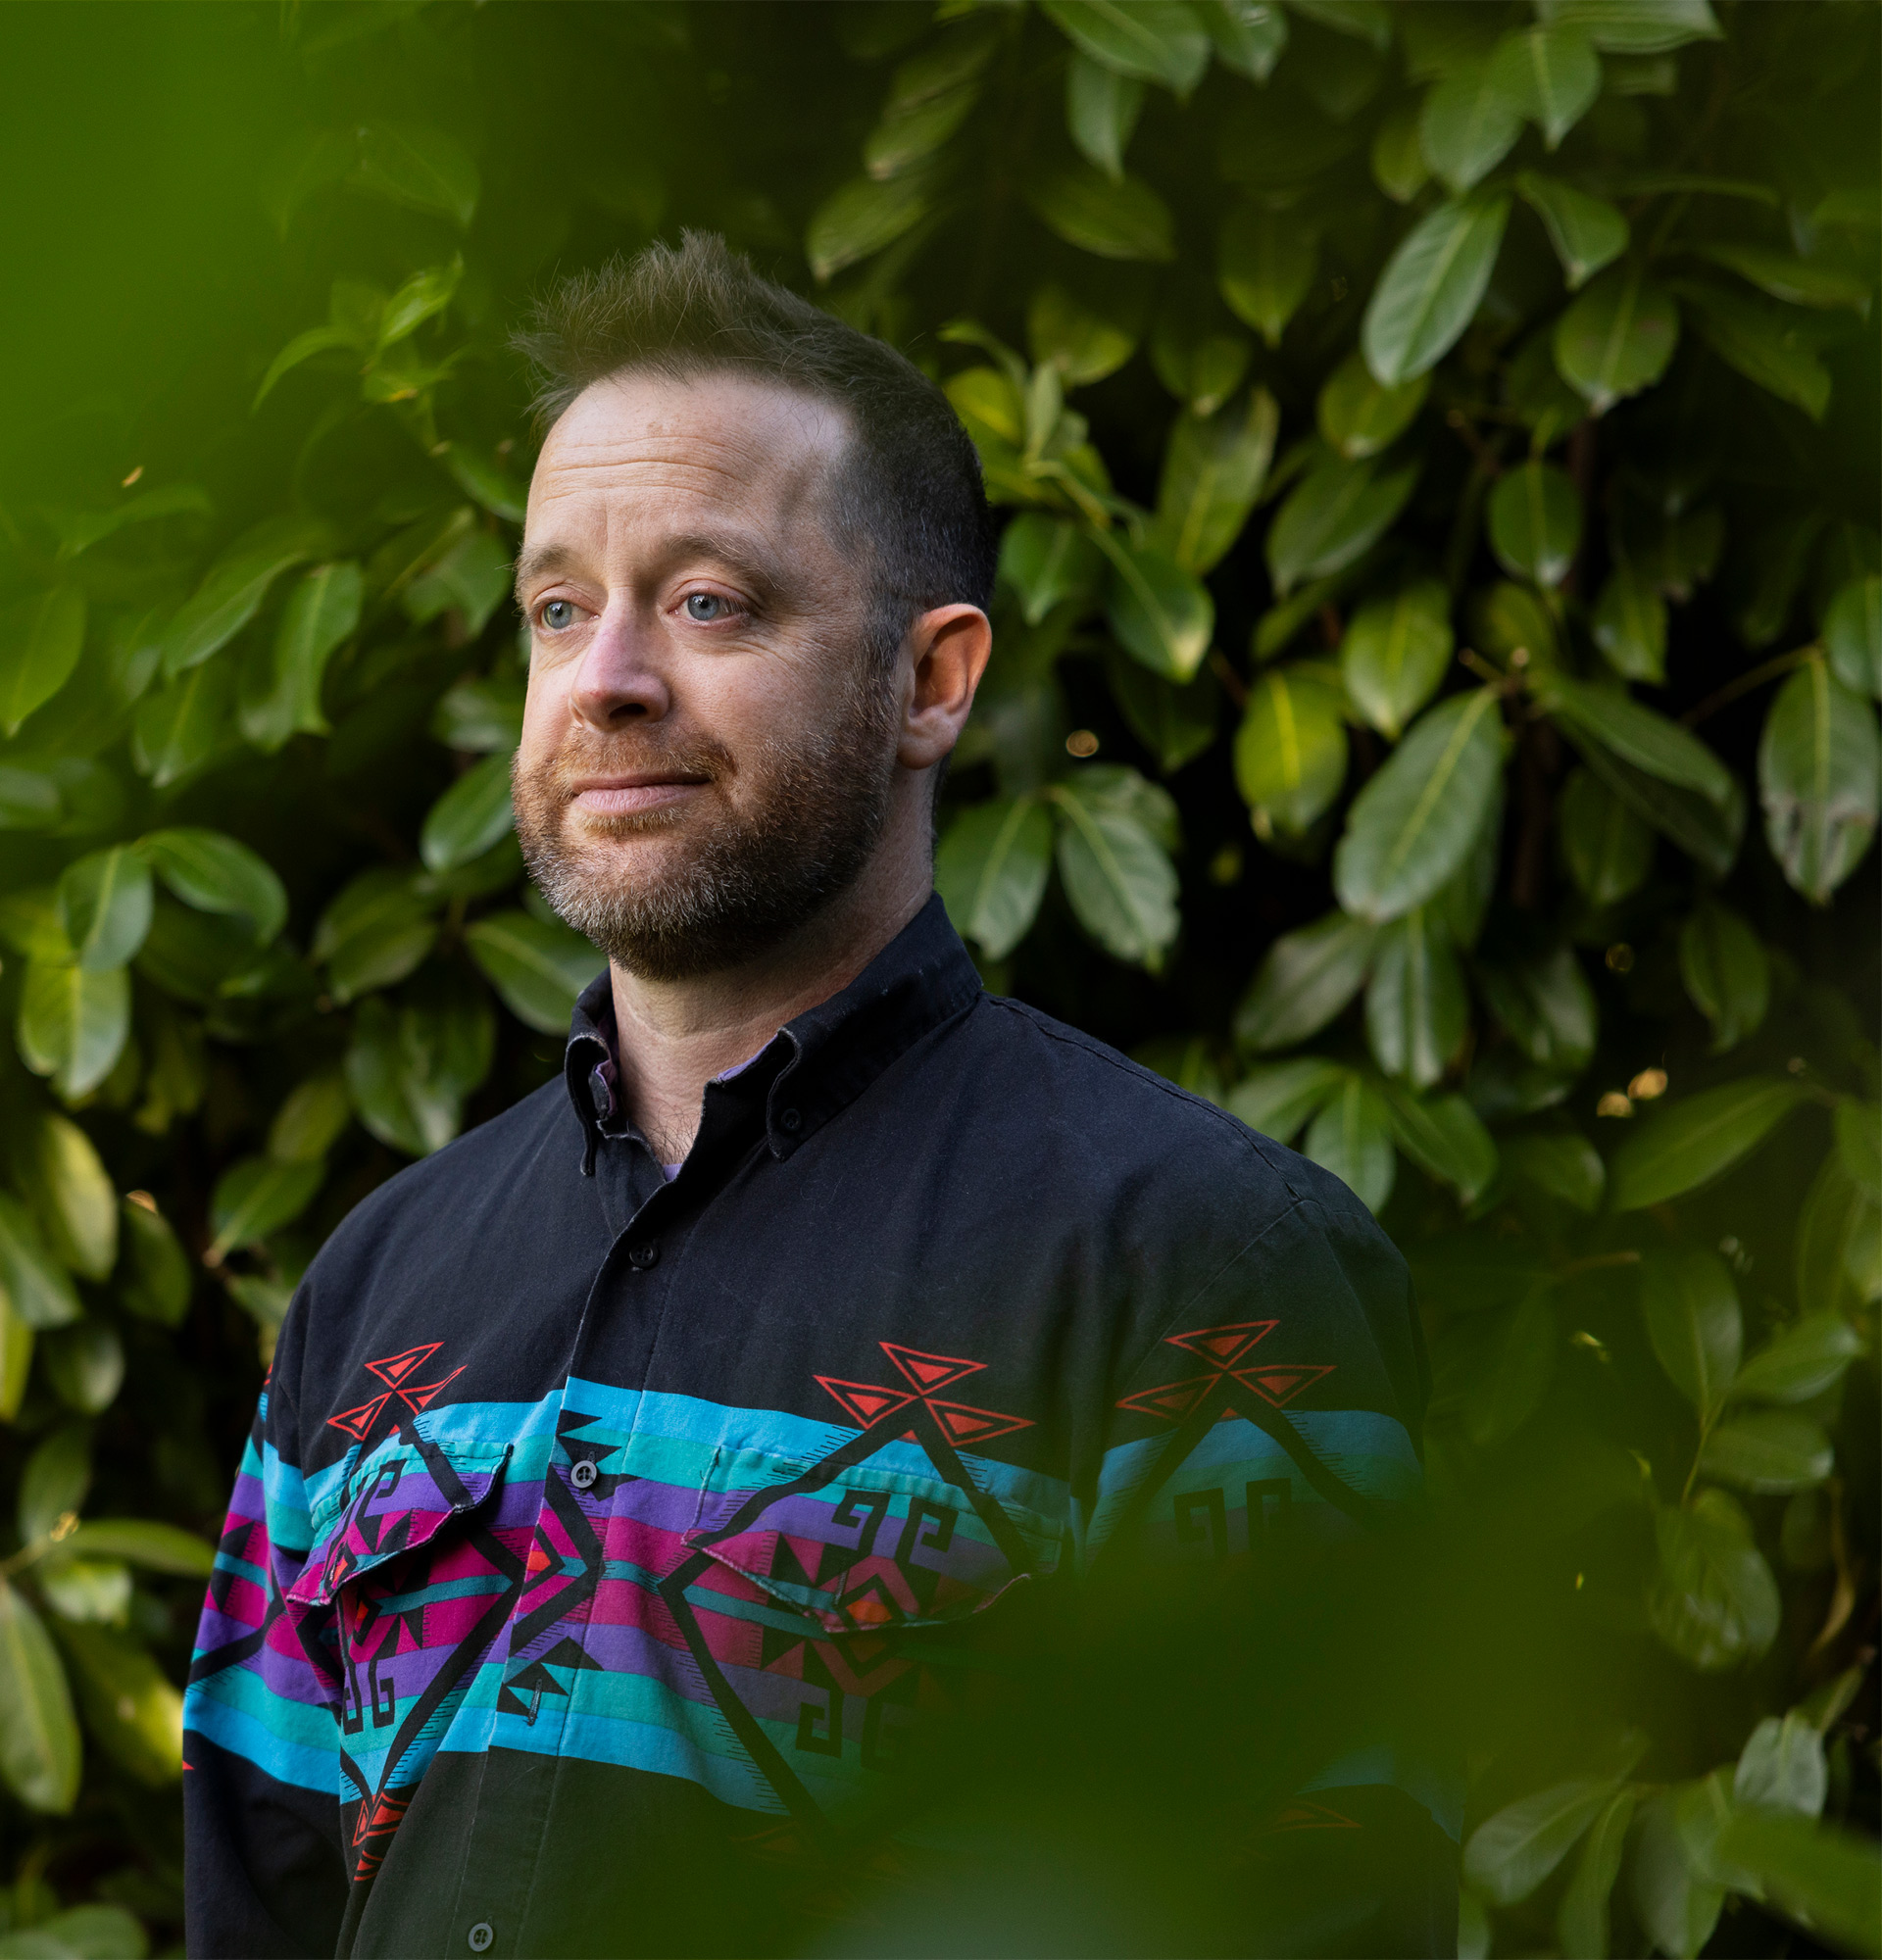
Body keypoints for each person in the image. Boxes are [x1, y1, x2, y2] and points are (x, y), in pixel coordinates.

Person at [180, 234, 1453, 1958]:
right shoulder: (379, 1287)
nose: (609, 677)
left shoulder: (1203, 1273)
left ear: (931, 681)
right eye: (560, 607)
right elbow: (256, 1907)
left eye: (710, 602)